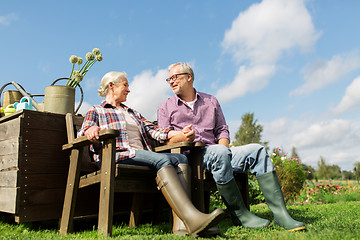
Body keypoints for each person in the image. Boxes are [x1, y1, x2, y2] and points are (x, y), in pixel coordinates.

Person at [157, 63, 306, 232]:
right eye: (169, 79)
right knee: (219, 152)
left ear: (189, 77)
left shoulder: (211, 101)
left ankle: (281, 215)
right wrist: (181, 137)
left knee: (257, 150)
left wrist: (224, 151)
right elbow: (164, 140)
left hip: (217, 151)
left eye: (175, 77)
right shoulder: (165, 106)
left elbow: (222, 130)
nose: (171, 81)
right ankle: (240, 215)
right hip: (191, 157)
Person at [78, 71, 224, 237]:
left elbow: (154, 131)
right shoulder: (97, 110)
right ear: (111, 86)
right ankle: (192, 218)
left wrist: (178, 134)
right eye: (125, 85)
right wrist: (91, 129)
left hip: (140, 155)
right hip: (116, 155)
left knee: (181, 158)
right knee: (162, 160)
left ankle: (182, 226)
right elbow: (84, 131)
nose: (128, 90)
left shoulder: (133, 113)